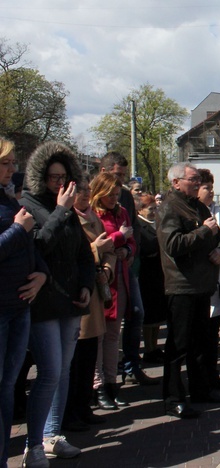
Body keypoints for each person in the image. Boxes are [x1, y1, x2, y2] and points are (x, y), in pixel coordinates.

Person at [21, 141, 96, 466]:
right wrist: (62, 210)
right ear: (41, 177)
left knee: (62, 371)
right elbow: (38, 247)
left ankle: (52, 435)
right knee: (50, 370)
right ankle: (33, 445)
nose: (59, 183)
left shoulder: (63, 208)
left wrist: (86, 285)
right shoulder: (29, 205)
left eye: (64, 177)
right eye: (53, 177)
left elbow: (82, 252)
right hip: (43, 303)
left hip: (70, 302)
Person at [156, 162, 220, 419]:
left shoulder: (197, 206)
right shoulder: (169, 207)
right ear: (176, 182)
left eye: (198, 178)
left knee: (201, 341)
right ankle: (174, 397)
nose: (197, 183)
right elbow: (173, 244)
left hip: (202, 284)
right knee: (179, 344)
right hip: (182, 285)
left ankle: (201, 389)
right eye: (192, 179)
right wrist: (202, 232)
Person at [0, 138, 48, 468]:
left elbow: (29, 245)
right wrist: (18, 229)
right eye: (6, 163)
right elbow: (18, 236)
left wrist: (41, 275)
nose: (13, 168)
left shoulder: (7, 198)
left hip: (18, 307)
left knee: (6, 389)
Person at [99, 152, 158, 386]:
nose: (121, 181)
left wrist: (131, 252)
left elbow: (133, 227)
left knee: (136, 312)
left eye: (123, 176)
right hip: (103, 268)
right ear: (104, 172)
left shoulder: (124, 195)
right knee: (104, 323)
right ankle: (102, 377)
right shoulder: (95, 194)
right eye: (117, 175)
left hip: (127, 265)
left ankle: (131, 365)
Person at [66, 175, 113, 426]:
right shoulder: (66, 218)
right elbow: (73, 254)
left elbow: (110, 251)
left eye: (86, 190)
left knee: (89, 354)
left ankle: (84, 407)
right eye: (79, 190)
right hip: (79, 293)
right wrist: (96, 250)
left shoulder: (94, 217)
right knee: (76, 358)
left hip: (96, 289)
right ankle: (71, 411)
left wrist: (107, 269)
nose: (84, 194)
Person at [90, 172, 136, 410]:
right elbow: (101, 241)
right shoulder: (94, 214)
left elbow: (131, 241)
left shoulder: (122, 212)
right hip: (101, 281)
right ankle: (97, 387)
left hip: (120, 278)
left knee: (112, 335)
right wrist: (120, 238)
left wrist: (126, 251)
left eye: (117, 194)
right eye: (109, 194)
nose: (114, 198)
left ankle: (111, 383)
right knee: (98, 336)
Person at [197, 169, 220, 394]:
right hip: (200, 280)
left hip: (217, 276)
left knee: (213, 333)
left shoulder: (218, 212)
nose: (211, 192)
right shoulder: (193, 212)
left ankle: (213, 375)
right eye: (207, 188)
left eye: (212, 187)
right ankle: (202, 379)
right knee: (200, 335)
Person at [135, 194, 167, 364]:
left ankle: (155, 347)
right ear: (140, 210)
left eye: (155, 208)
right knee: (149, 316)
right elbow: (145, 247)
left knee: (158, 315)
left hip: (158, 274)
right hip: (146, 275)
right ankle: (148, 348)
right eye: (150, 209)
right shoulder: (139, 226)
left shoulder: (157, 224)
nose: (154, 211)